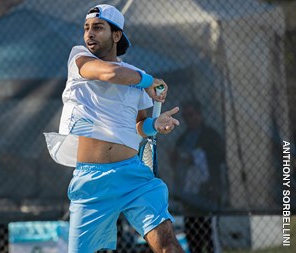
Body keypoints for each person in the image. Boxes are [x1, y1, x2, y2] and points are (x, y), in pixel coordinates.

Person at [44, 4, 183, 253]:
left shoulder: (136, 80)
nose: (89, 34)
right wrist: (151, 80)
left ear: (116, 35)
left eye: (98, 28)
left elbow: (139, 127)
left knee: (167, 246)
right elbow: (110, 73)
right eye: (86, 28)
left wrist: (155, 125)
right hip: (91, 183)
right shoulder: (79, 57)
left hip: (133, 176)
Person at [170, 100, 227, 253]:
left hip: (208, 192)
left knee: (209, 237)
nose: (189, 119)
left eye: (191, 115)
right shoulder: (182, 139)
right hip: (190, 196)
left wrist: (196, 157)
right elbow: (176, 166)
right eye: (185, 116)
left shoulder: (210, 135)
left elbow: (220, 156)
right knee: (193, 236)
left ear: (200, 115)